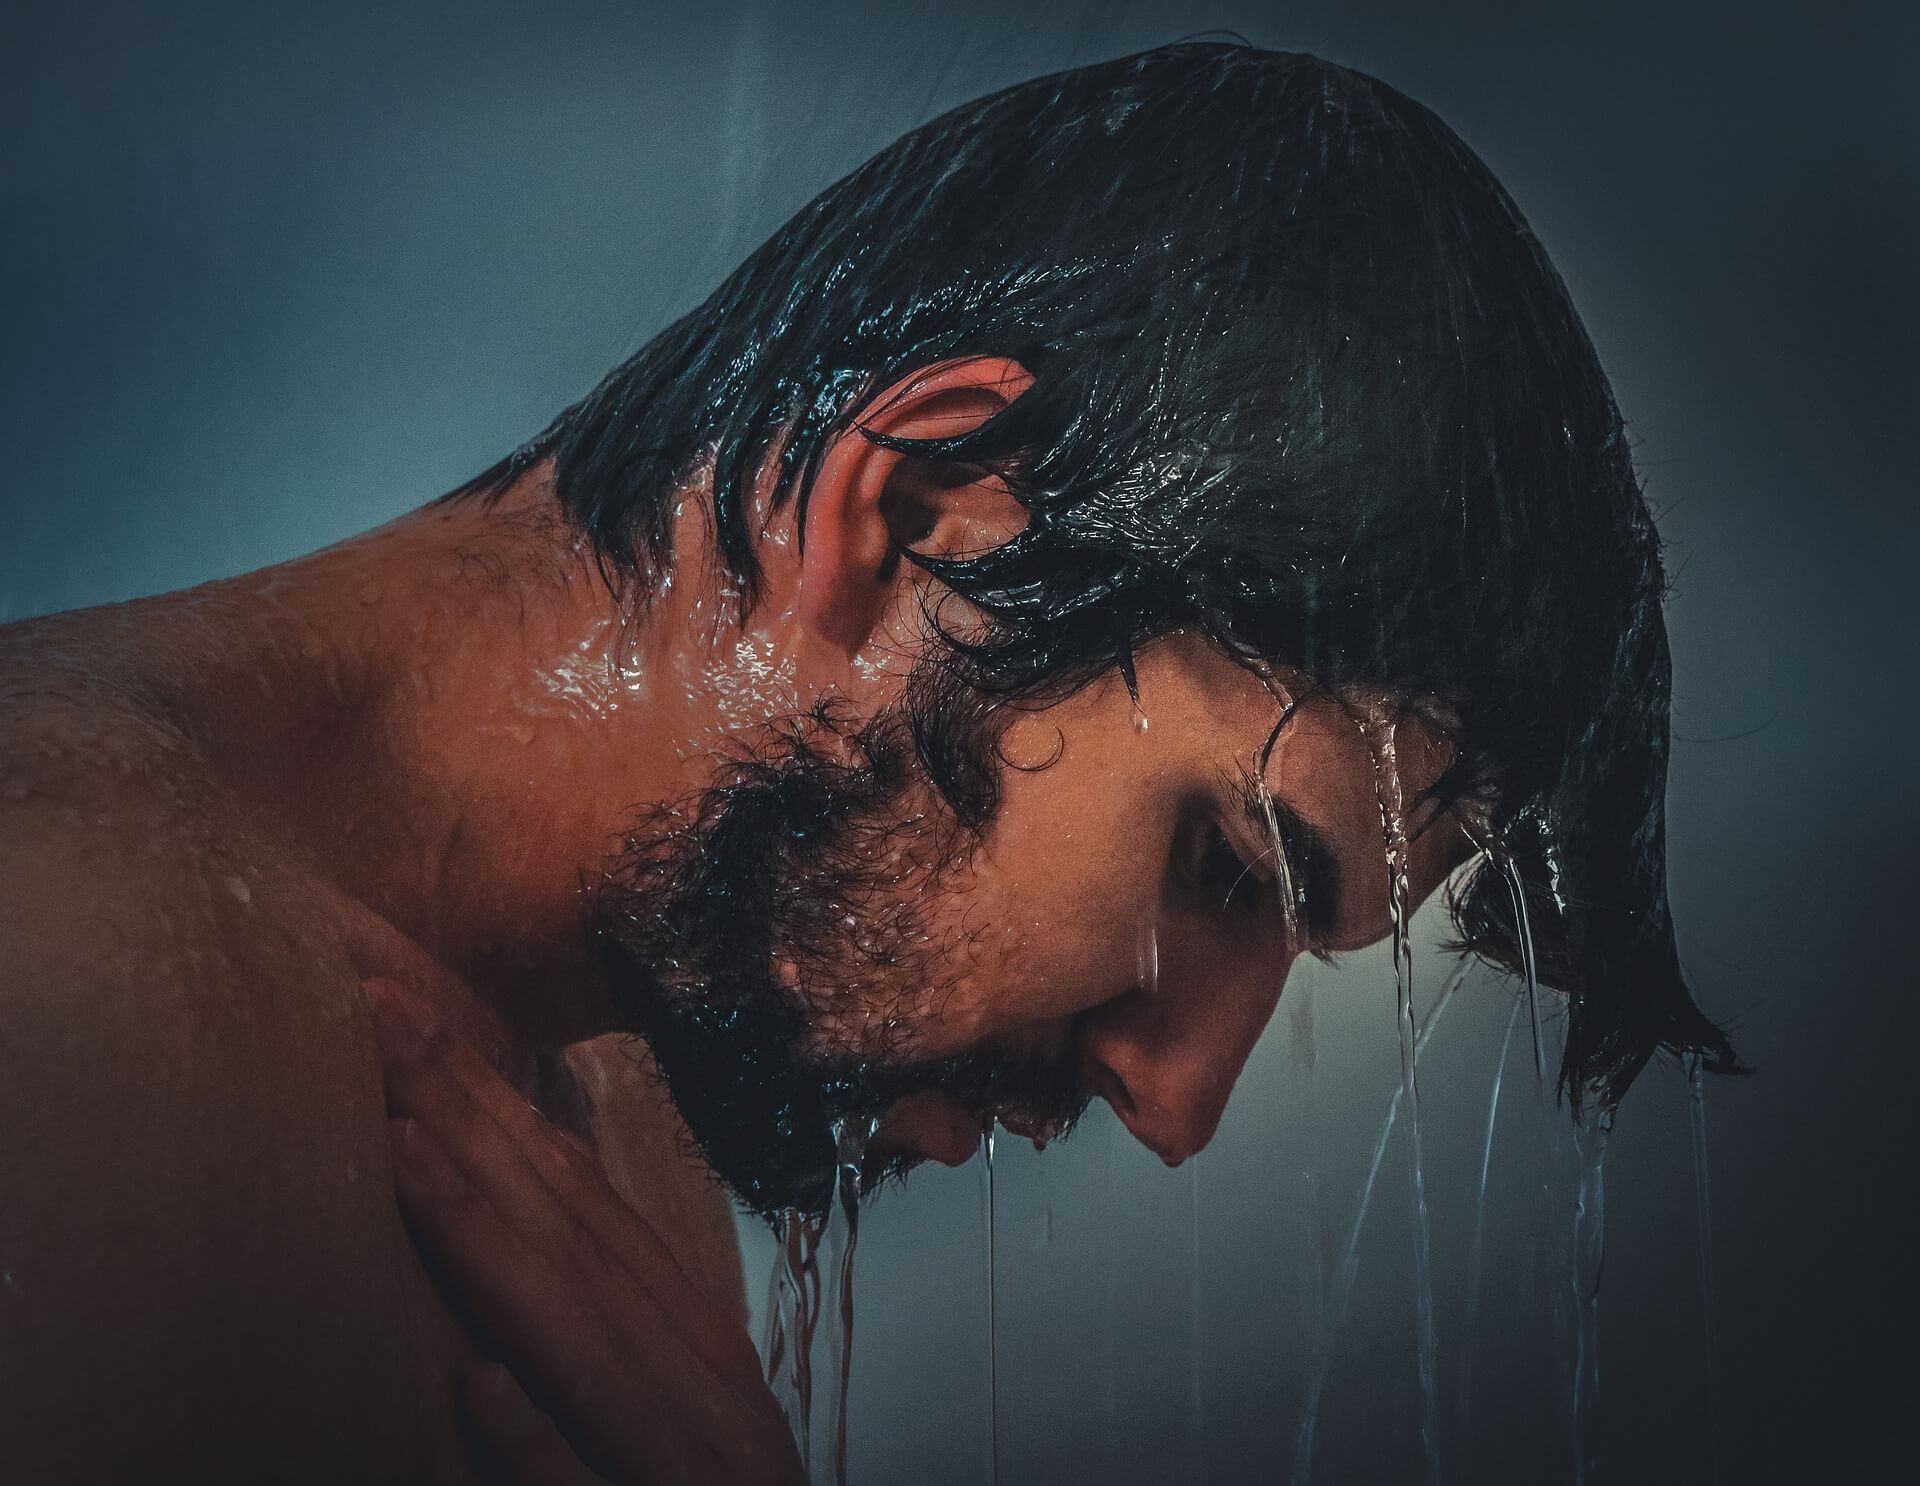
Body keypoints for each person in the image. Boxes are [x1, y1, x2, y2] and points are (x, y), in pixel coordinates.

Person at [0, 40, 1739, 1485]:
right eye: (1225, 865)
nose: (1183, 1102)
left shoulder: (619, 1123)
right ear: (904, 502)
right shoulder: (59, 985)